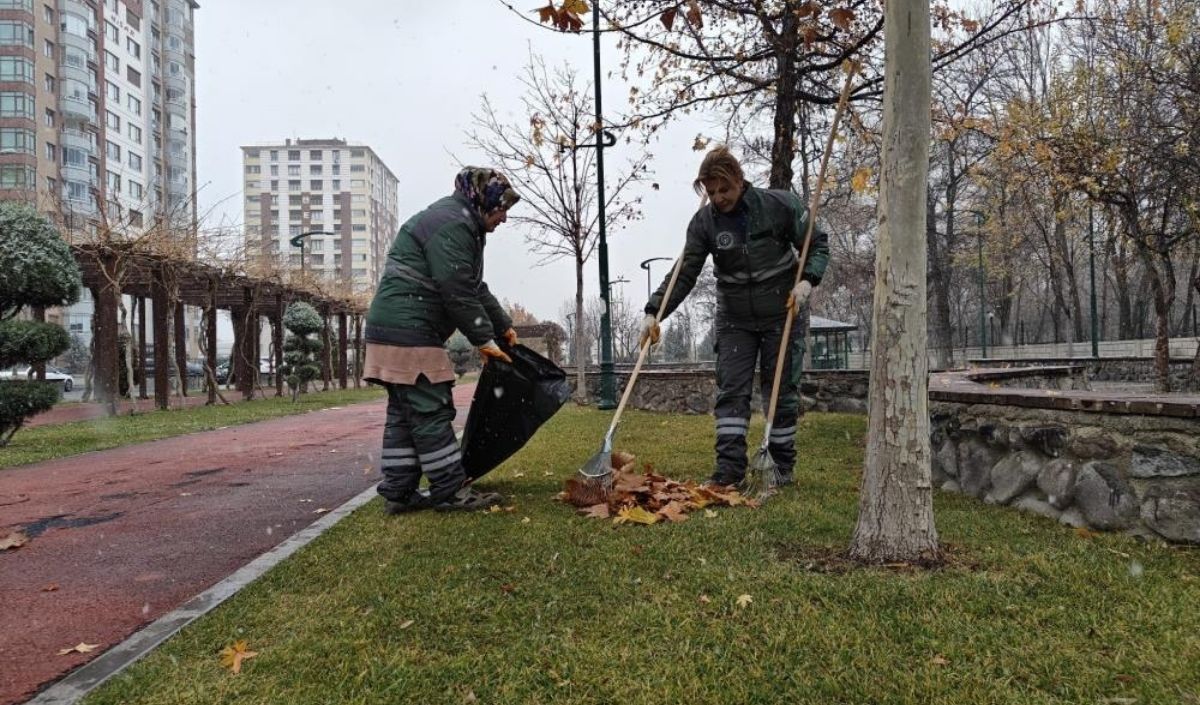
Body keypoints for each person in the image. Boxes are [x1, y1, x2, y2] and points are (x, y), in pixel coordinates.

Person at [640, 146, 830, 488]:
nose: (718, 198)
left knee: (781, 391)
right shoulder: (704, 223)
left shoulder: (780, 206)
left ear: (739, 180)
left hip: (782, 311)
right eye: (711, 192)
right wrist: (654, 311)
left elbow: (817, 244)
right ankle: (729, 470)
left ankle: (780, 466)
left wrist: (807, 281)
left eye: (723, 189)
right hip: (735, 318)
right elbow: (685, 274)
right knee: (732, 391)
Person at [363, 166, 521, 513]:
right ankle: (450, 491)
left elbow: (474, 285)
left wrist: (502, 325)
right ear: (485, 201)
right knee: (431, 409)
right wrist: (484, 339)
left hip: (393, 327)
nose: (505, 218)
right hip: (409, 330)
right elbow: (457, 290)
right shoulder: (455, 225)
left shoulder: (459, 221)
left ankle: (399, 490)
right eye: (502, 208)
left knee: (406, 414)